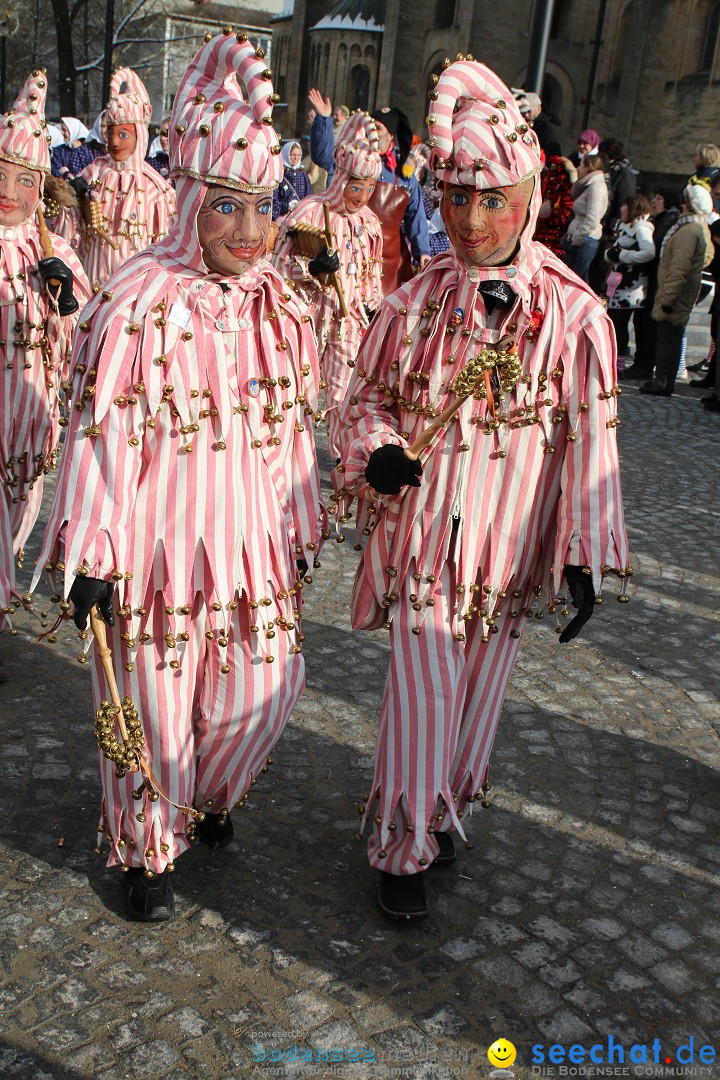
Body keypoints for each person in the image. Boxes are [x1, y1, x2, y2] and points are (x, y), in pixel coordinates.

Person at [33, 32, 326, 922]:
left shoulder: (278, 305)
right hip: (152, 554)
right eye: (227, 208)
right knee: (151, 705)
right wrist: (90, 552)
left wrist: (301, 529)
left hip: (248, 555)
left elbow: (290, 434)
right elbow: (101, 438)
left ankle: (205, 790)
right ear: (193, 199)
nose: (248, 231)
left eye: (262, 209)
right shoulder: (135, 303)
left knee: (263, 693)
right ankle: (145, 850)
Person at [332, 57, 629, 919]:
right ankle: (400, 852)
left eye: (489, 199)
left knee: (478, 696)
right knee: (421, 690)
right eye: (455, 199)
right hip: (425, 538)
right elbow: (362, 404)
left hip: (510, 547)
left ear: (528, 197)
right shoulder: (412, 304)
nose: (469, 220)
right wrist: (379, 449)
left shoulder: (575, 318)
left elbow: (591, 444)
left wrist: (584, 558)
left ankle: (443, 808)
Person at [0, 70, 90, 632]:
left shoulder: (55, 252)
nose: (9, 194)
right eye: (0, 176)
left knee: (16, 518)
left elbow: (89, 342)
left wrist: (67, 304)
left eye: (23, 181)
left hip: (29, 425)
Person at [272, 112, 383, 456]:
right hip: (309, 319)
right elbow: (278, 267)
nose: (362, 196)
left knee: (343, 394)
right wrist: (313, 268)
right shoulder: (309, 212)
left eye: (369, 188)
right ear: (341, 179)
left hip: (349, 323)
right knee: (297, 387)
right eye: (356, 187)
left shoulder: (370, 223)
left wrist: (373, 303)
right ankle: (286, 451)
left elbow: (371, 272)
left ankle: (339, 463)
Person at [54, 68, 176, 292]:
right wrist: (73, 201)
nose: (115, 143)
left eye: (123, 135)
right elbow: (68, 224)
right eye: (110, 134)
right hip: (93, 280)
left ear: (139, 135)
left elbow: (168, 239)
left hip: (136, 287)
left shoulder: (155, 185)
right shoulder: (93, 173)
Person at [309, 94, 430, 284]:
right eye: (371, 125)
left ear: (390, 135)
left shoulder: (404, 171)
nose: (372, 130)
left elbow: (416, 214)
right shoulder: (355, 159)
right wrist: (324, 119)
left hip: (389, 263)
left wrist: (422, 251)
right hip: (350, 252)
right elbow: (323, 156)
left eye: (378, 127)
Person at [641, 179, 714, 396]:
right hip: (680, 291)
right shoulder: (696, 227)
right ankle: (663, 381)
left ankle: (663, 382)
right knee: (669, 338)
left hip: (676, 295)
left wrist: (668, 299)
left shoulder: (689, 230)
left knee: (668, 340)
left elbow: (679, 268)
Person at [628, 187, 680, 380]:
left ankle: (645, 365)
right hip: (650, 278)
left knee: (648, 325)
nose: (655, 200)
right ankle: (641, 363)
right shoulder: (661, 219)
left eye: (659, 197)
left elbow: (656, 250)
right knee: (642, 323)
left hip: (658, 279)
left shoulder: (670, 220)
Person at [603, 194, 655, 378]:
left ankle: (619, 364)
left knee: (621, 323)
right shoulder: (626, 227)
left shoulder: (642, 229)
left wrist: (624, 256)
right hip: (619, 284)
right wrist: (612, 254)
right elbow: (613, 251)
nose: (621, 209)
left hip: (632, 286)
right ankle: (612, 360)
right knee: (615, 322)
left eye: (624, 206)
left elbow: (648, 252)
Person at [562, 154, 607, 281]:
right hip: (581, 238)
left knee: (575, 281)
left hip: (585, 240)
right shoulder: (590, 185)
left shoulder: (597, 186)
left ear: (588, 168)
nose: (578, 168)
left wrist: (577, 237)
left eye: (581, 164)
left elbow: (593, 218)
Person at [534, 153, 577, 259]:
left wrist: (550, 212)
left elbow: (565, 215)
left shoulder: (566, 190)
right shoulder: (545, 181)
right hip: (540, 236)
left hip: (555, 239)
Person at [598, 137, 636, 237]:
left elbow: (625, 198)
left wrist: (615, 224)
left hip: (611, 223)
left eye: (603, 154)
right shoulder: (607, 170)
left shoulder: (624, 173)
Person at [272, 140, 313, 220]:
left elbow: (309, 197)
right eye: (293, 154)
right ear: (286, 154)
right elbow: (274, 200)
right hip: (282, 220)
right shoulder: (280, 174)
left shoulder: (303, 175)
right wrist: (287, 206)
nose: (296, 158)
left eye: (298, 155)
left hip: (300, 219)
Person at [514, 89, 561, 157]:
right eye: (523, 112)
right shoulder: (522, 121)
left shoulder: (547, 128)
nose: (526, 115)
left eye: (529, 111)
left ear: (539, 109)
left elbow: (554, 156)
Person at [146, 117, 171, 183]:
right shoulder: (152, 163)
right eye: (160, 134)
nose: (162, 138)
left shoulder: (186, 164)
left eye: (166, 133)